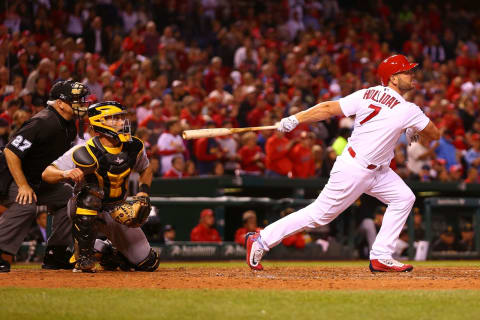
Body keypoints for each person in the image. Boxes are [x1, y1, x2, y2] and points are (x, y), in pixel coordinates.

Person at [245, 54, 440, 272]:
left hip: (378, 171)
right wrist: (414, 127)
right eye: (407, 72)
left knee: (404, 197)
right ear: (393, 79)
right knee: (319, 215)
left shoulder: (368, 93)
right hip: (355, 169)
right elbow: (434, 133)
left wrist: (296, 119)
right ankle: (261, 239)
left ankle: (381, 256)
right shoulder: (408, 109)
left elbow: (328, 108)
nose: (412, 75)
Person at [42, 101, 159, 273]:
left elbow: (146, 167)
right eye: (114, 118)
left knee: (147, 263)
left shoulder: (134, 146)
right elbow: (47, 173)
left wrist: (144, 192)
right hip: (85, 207)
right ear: (99, 122)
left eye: (121, 117)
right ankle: (84, 257)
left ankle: (106, 251)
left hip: (117, 208)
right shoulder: (84, 149)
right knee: (90, 196)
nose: (121, 122)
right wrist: (65, 174)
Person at [0, 80, 90, 273]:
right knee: (26, 203)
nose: (82, 104)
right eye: (76, 100)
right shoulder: (43, 121)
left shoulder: (68, 125)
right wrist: (23, 186)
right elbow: (10, 152)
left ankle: (55, 255)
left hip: (36, 179)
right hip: (9, 176)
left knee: (70, 197)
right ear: (60, 103)